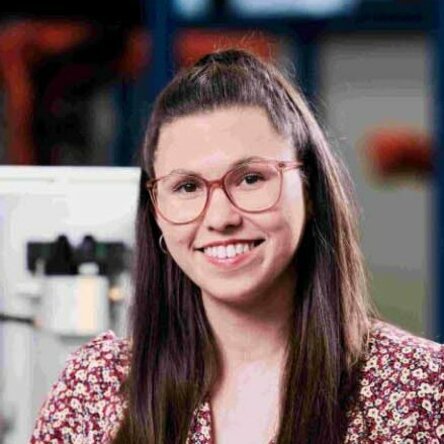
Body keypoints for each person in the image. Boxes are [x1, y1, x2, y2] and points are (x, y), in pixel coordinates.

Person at [29, 48, 443, 444]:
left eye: (250, 179)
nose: (220, 217)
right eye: (187, 187)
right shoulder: (96, 392)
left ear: (311, 189)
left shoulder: (422, 388)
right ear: (154, 210)